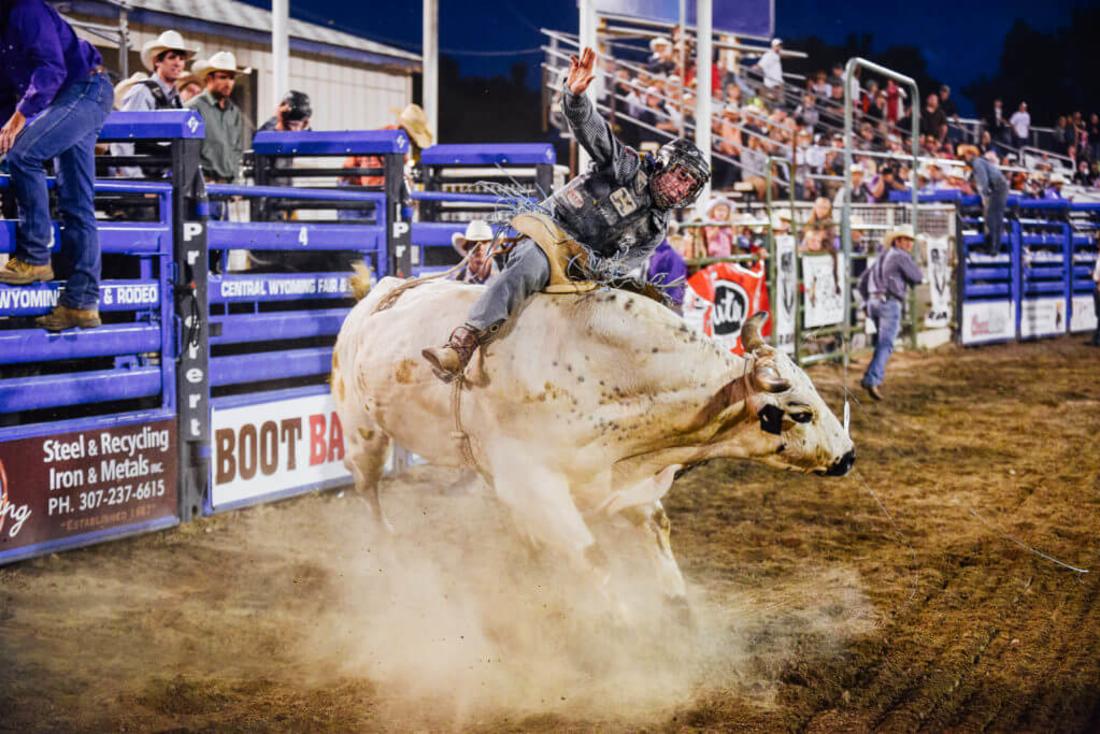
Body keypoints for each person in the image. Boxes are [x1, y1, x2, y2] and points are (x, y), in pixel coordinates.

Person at [421, 47, 710, 382]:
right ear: (663, 163)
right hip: (550, 233)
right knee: (531, 266)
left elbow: (625, 265)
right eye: (680, 175)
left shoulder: (656, 229)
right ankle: (462, 343)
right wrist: (575, 97)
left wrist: (600, 268)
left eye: (689, 185)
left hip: (584, 270)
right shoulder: (626, 166)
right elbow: (593, 132)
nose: (680, 188)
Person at [0, 0, 114, 330]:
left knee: (25, 156)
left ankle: (35, 257)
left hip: (83, 88)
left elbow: (52, 68)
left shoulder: (25, 9)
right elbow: (5, 99)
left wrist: (19, 118)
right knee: (76, 200)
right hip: (70, 97)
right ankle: (81, 303)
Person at [111, 30, 199, 179]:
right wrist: (138, 182)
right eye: (172, 57)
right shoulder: (142, 92)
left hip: (164, 179)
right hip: (146, 179)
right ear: (157, 61)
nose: (178, 63)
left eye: (181, 58)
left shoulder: (176, 100)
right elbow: (122, 140)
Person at [857, 226, 923, 401]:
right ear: (898, 241)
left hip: (874, 301)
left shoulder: (881, 257)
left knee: (882, 343)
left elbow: (862, 281)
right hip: (889, 303)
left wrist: (866, 302)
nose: (909, 244)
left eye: (910, 241)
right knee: (886, 343)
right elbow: (917, 277)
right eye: (906, 240)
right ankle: (872, 379)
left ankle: (871, 376)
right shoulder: (901, 256)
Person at [185, 51, 245, 198]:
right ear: (208, 78)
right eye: (223, 77)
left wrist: (236, 182)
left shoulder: (234, 112)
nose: (229, 83)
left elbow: (236, 150)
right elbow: (187, 152)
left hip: (226, 189)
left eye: (231, 78)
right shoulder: (194, 108)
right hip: (202, 186)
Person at [958, 144, 1009, 255]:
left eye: (964, 156)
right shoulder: (979, 163)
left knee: (992, 218)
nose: (963, 160)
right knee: (995, 218)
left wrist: (984, 196)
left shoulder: (977, 163)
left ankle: (993, 248)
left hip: (998, 188)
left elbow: (983, 181)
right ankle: (994, 247)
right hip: (998, 188)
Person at [646, 237, 687, 313]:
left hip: (663, 301)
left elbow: (672, 279)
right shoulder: (670, 256)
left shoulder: (659, 255)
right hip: (667, 301)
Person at [452, 220, 498, 285]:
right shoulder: (454, 281)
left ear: (493, 248)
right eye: (474, 243)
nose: (479, 247)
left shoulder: (506, 279)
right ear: (466, 249)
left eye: (484, 242)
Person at [757, 38, 784, 106]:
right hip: (770, 84)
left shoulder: (777, 55)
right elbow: (760, 65)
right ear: (773, 46)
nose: (779, 47)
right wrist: (754, 68)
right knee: (768, 102)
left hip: (777, 83)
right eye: (777, 45)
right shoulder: (769, 54)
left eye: (780, 45)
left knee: (779, 103)